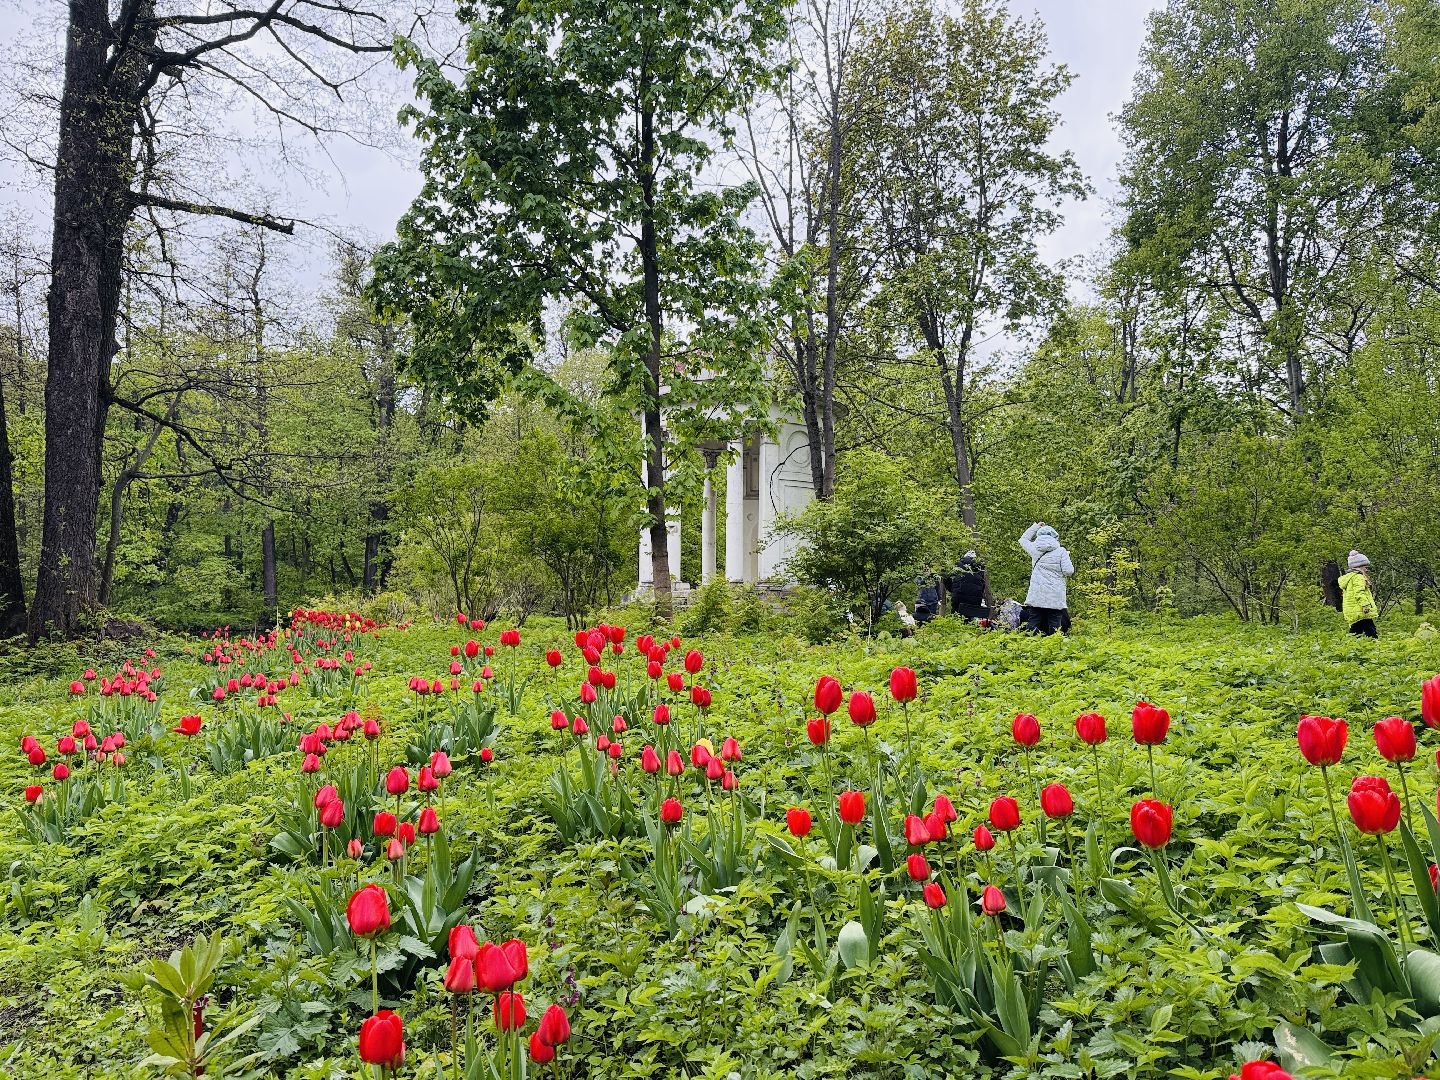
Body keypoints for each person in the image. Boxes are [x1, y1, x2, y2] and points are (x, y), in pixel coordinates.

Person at [1018, 522, 1074, 635]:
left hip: (1037, 594)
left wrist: (1036, 526)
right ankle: (1054, 648)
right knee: (1055, 624)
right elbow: (1069, 571)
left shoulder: (1034, 549)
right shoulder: (1062, 551)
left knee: (1033, 621)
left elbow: (1023, 539)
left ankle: (1029, 647)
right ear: (1055, 537)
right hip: (1055, 596)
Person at [1338, 550, 1379, 638]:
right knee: (1371, 632)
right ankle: (1376, 647)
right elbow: (1359, 593)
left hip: (1354, 610)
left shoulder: (1350, 578)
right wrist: (1365, 605)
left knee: (1356, 632)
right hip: (1361, 610)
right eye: (1365, 567)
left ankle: (1351, 648)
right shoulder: (1358, 577)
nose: (1367, 569)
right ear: (1358, 567)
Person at [946, 550, 989, 621]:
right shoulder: (979, 567)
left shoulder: (957, 564)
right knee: (971, 619)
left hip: (958, 596)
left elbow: (947, 579)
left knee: (956, 618)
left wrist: (953, 590)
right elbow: (982, 583)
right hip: (975, 597)